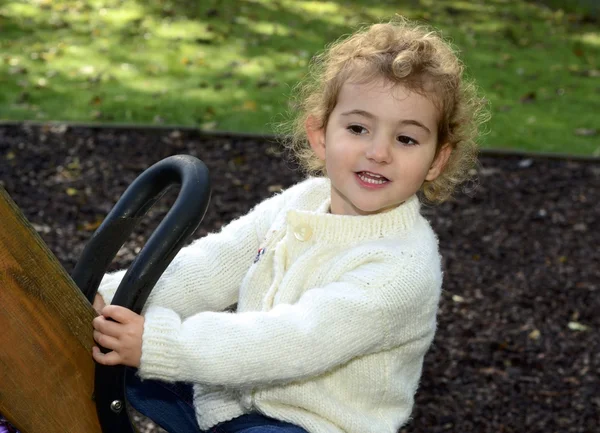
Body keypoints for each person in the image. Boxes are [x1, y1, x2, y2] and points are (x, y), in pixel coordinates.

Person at [91, 17, 488, 433]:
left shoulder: (400, 270)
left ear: (437, 160)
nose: (378, 152)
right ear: (320, 135)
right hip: (228, 402)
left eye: (406, 139)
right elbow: (209, 266)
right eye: (358, 128)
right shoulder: (303, 200)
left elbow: (293, 340)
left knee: (145, 348)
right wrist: (110, 300)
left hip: (311, 425)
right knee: (106, 344)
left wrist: (158, 343)